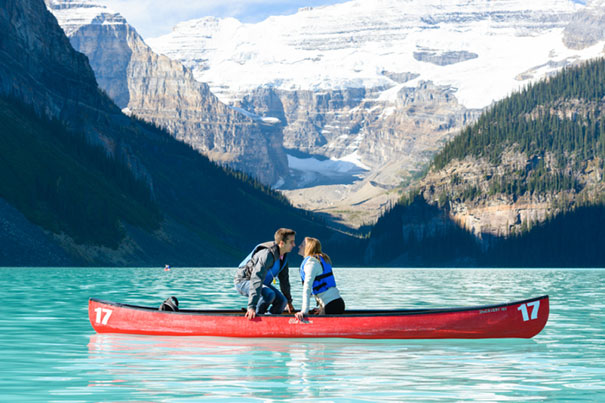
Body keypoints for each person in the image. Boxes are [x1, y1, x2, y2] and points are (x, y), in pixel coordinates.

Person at [235, 228, 297, 320]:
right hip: (244, 281)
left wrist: (289, 301)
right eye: (291, 242)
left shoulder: (283, 257)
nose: (294, 245)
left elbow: (285, 281)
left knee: (282, 301)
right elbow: (256, 279)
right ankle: (255, 319)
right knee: (269, 294)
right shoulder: (267, 254)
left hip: (261, 284)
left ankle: (269, 319)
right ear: (282, 243)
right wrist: (252, 306)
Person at [295, 237, 345, 321]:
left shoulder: (312, 263)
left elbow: (307, 288)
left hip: (331, 305)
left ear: (308, 248)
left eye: (302, 245)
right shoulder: (318, 261)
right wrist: (322, 308)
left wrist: (304, 311)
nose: (299, 246)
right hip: (334, 303)